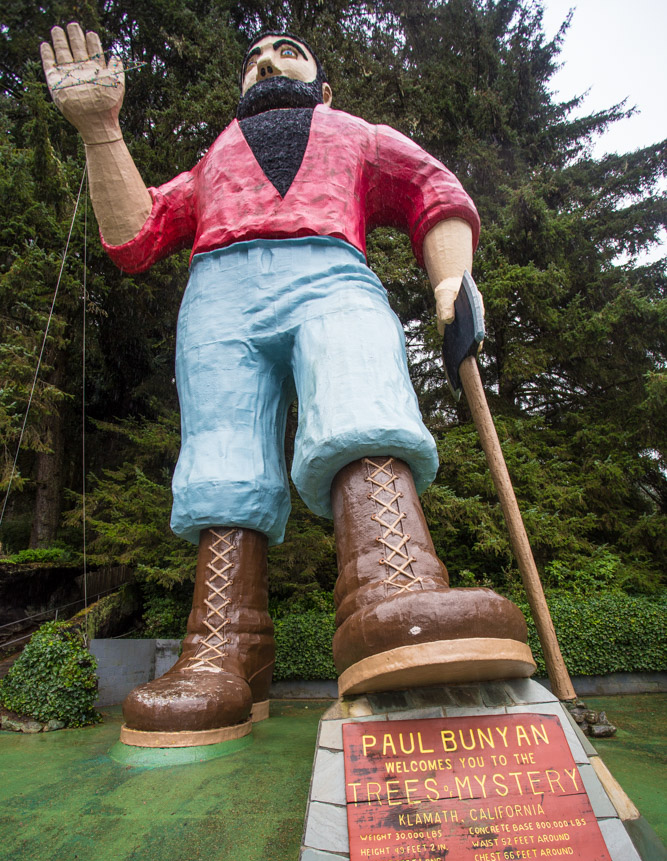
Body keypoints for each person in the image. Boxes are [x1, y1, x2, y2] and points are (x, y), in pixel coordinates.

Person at [41, 24, 533, 745]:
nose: (267, 62)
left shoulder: (357, 134)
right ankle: (225, 646)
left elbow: (432, 187)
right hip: (219, 291)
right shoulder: (212, 163)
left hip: (330, 270)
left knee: (357, 386)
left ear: (322, 86)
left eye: (287, 53)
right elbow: (135, 235)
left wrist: (451, 276)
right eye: (255, 59)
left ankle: (393, 585)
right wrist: (100, 131)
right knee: (222, 447)